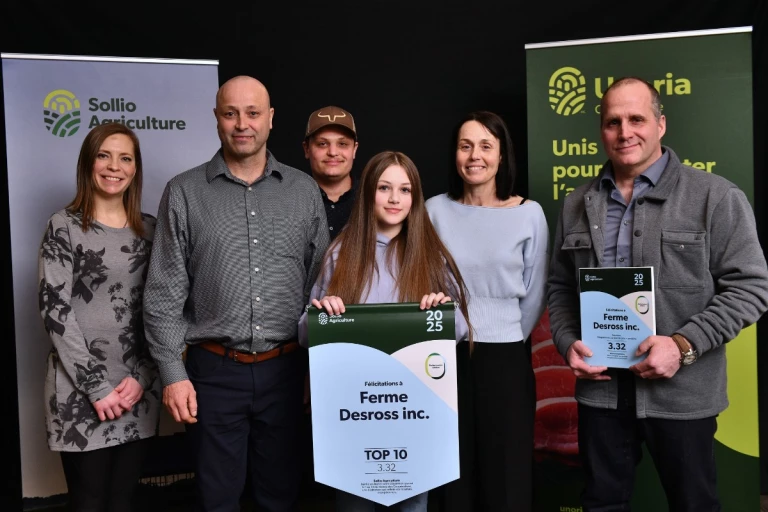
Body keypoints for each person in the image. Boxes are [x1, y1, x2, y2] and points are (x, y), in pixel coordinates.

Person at [547, 76, 768, 511]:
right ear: (601, 131)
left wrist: (682, 345)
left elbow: (751, 287)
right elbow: (559, 287)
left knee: (693, 505)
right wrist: (567, 341)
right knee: (601, 504)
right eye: (613, 122)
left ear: (661, 124)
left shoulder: (715, 196)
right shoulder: (576, 203)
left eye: (636, 119)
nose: (624, 132)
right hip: (602, 393)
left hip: (682, 394)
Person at [143, 76, 329, 512]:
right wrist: (172, 373)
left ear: (270, 120)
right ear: (216, 119)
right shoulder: (184, 192)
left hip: (286, 373)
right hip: (211, 374)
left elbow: (320, 286)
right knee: (217, 500)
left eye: (252, 113)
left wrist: (316, 369)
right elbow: (164, 291)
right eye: (230, 113)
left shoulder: (303, 192)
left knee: (280, 498)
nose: (241, 124)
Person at [300, 151, 471, 512]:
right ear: (368, 195)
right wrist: (323, 314)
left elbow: (460, 330)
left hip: (413, 416)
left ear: (415, 198)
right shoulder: (340, 254)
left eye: (405, 190)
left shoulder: (430, 254)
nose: (395, 199)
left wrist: (442, 311)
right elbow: (305, 332)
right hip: (354, 417)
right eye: (385, 188)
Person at [425, 111, 549, 512]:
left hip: (506, 358)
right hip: (444, 356)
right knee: (453, 474)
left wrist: (503, 334)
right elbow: (421, 281)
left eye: (485, 146)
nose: (474, 155)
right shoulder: (432, 211)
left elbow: (534, 294)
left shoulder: (529, 214)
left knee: (507, 476)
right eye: (465, 146)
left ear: (501, 155)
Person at [38, 122, 161, 512]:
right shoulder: (64, 226)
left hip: (135, 390)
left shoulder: (153, 231)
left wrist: (142, 377)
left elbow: (163, 310)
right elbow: (55, 311)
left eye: (125, 158)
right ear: (88, 162)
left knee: (123, 502)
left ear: (135, 168)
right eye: (104, 156)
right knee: (88, 504)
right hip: (79, 391)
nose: (114, 166)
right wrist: (96, 387)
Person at [303, 105, 359, 240]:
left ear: (354, 149)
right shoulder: (292, 200)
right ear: (307, 149)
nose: (333, 152)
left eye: (343, 144)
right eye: (322, 144)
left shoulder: (372, 198)